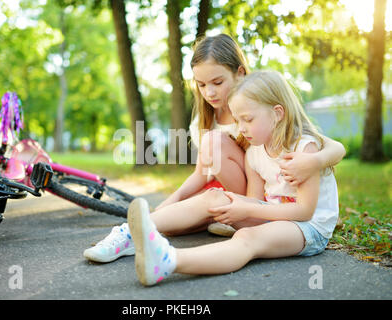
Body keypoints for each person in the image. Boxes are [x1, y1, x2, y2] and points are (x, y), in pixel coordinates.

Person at [83, 34, 345, 263]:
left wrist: (315, 161)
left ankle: (159, 240)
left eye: (217, 83)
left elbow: (328, 145)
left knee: (222, 209)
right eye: (201, 84)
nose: (209, 92)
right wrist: (163, 207)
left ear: (240, 73)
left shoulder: (263, 106)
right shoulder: (209, 121)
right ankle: (130, 233)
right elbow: (201, 175)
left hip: (261, 206)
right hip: (247, 199)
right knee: (178, 221)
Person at [127, 70, 340, 286]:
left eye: (247, 119)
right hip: (275, 217)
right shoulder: (255, 152)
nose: (241, 128)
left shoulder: (304, 149)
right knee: (214, 197)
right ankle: (135, 231)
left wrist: (246, 210)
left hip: (308, 228)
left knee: (247, 238)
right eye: (238, 120)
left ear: (277, 114)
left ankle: (166, 262)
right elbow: (255, 199)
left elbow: (304, 212)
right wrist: (236, 205)